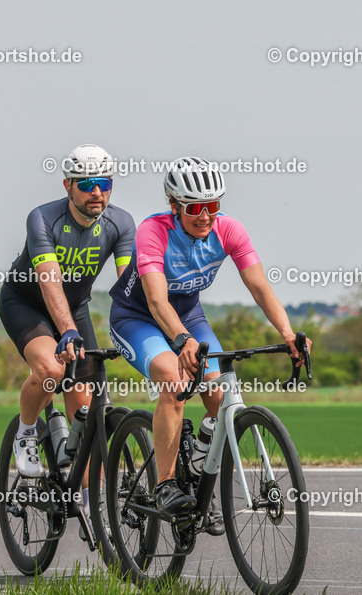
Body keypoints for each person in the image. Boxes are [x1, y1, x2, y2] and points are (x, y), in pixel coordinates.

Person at [108, 157, 309, 529]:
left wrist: (286, 333)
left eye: (213, 206)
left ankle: (199, 474)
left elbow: (260, 287)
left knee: (220, 396)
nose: (205, 216)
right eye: (195, 208)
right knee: (174, 379)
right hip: (136, 318)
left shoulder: (229, 230)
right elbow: (155, 301)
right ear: (175, 206)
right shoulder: (153, 232)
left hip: (189, 317)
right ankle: (166, 484)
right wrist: (180, 340)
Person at [0, 144, 135, 500]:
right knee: (52, 372)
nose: (97, 192)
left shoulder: (120, 223)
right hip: (27, 303)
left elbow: (129, 284)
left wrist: (141, 328)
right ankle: (26, 432)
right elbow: (49, 280)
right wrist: (68, 331)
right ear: (67, 186)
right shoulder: (43, 218)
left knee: (87, 407)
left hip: (75, 309)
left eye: (104, 183)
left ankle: (89, 500)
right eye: (87, 183)